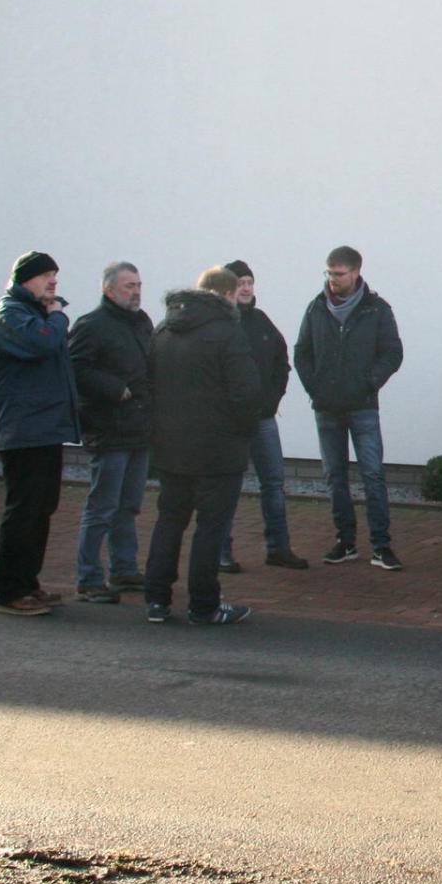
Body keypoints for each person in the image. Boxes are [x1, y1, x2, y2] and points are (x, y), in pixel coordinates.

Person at [142, 268, 263, 626]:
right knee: (211, 526)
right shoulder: (228, 333)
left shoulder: (163, 330)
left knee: (169, 520)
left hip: (171, 447)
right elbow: (247, 394)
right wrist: (242, 433)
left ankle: (156, 600)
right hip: (218, 450)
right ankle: (203, 604)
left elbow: (150, 385)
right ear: (228, 295)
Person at [294, 245, 404, 570]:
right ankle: (345, 542)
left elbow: (393, 352)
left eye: (339, 273)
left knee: (372, 474)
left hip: (363, 406)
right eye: (329, 272)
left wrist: (370, 382)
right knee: (334, 476)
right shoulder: (316, 307)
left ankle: (381, 547)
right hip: (326, 407)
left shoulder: (376, 309)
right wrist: (314, 387)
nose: (333, 279)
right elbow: (302, 352)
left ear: (356, 272)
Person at [0, 251, 81, 616]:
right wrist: (58, 316)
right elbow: (41, 343)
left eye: (55, 274)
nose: (53, 281)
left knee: (41, 508)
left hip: (43, 428)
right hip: (23, 430)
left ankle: (28, 583)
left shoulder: (36, 314)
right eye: (45, 275)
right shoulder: (9, 313)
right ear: (25, 279)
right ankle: (9, 592)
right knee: (24, 511)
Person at [68, 261, 153, 603]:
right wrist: (114, 388)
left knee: (129, 505)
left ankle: (124, 568)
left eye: (139, 285)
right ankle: (88, 578)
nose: (136, 292)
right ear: (109, 289)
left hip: (139, 428)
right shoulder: (91, 325)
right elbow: (75, 368)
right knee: (102, 507)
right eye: (129, 286)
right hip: (108, 428)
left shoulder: (142, 322)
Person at [223, 260, 304, 570]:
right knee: (228, 486)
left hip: (264, 419)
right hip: (230, 422)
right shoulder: (220, 324)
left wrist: (272, 399)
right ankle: (221, 551)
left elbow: (282, 362)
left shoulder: (261, 321)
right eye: (239, 282)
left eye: (249, 282)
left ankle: (278, 548)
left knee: (273, 483)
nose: (246, 288)